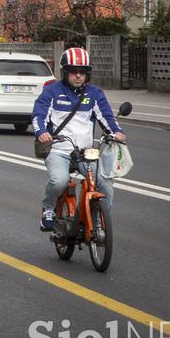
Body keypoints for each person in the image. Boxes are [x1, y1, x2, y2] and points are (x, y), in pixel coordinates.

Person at [31, 47, 125, 231]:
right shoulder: (51, 91)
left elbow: (107, 116)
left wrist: (117, 132)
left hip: (86, 152)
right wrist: (41, 132)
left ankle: (99, 224)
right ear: (65, 72)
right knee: (59, 180)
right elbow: (38, 115)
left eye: (83, 72)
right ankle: (48, 208)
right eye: (73, 71)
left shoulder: (95, 94)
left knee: (105, 184)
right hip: (58, 149)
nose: (78, 76)